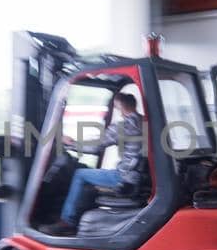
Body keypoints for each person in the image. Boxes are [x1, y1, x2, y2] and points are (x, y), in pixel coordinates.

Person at [41, 88, 145, 236]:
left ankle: (67, 222)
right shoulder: (145, 122)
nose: (117, 111)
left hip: (124, 177)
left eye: (116, 108)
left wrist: (71, 143)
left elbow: (96, 146)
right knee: (89, 174)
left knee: (80, 174)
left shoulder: (125, 126)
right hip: (138, 176)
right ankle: (79, 216)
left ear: (120, 107)